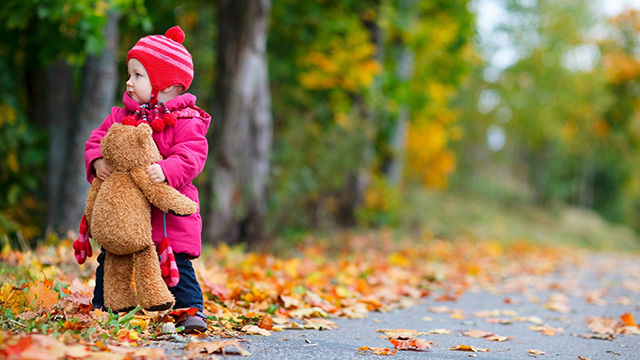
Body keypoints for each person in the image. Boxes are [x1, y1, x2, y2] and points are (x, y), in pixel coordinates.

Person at [83, 26, 211, 333]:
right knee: (111, 258)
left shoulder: (186, 120)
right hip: (127, 214)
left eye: (138, 75)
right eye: (130, 74)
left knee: (176, 266)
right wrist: (97, 160)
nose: (129, 82)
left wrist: (167, 170)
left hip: (168, 218)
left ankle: (189, 311)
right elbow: (96, 139)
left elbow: (193, 155)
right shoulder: (121, 116)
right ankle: (106, 306)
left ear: (166, 85)